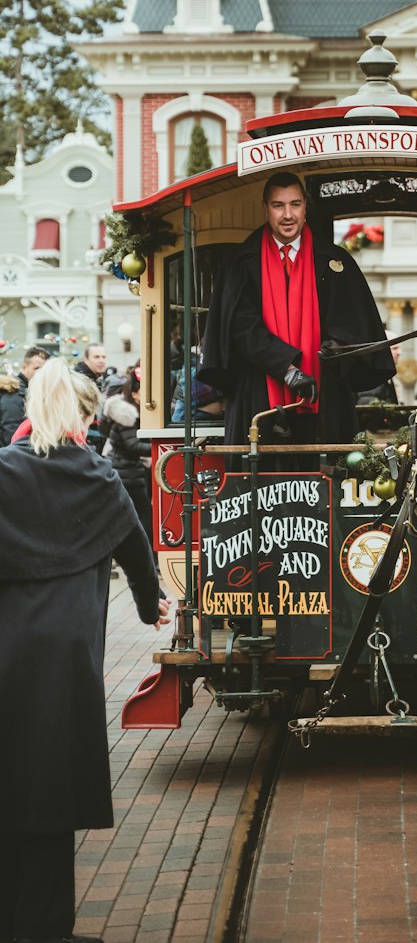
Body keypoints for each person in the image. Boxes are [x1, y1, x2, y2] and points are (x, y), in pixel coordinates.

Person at [0, 358, 170, 943]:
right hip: (66, 659)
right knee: (50, 786)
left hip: (5, 649)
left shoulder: (3, 473)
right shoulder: (98, 477)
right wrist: (152, 606)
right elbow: (135, 549)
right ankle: (44, 927)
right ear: (82, 415)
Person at [198, 171, 395, 450]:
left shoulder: (334, 262)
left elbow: (353, 321)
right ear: (265, 208)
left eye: (294, 205)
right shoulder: (241, 264)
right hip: (260, 394)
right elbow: (241, 328)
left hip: (324, 396)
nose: (287, 214)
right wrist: (288, 369)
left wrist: (336, 346)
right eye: (278, 205)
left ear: (305, 207)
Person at [103, 367, 154, 545]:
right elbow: (133, 445)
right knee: (144, 514)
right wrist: (158, 447)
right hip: (127, 473)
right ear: (134, 394)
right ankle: (149, 558)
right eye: (144, 391)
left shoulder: (131, 412)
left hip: (126, 471)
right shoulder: (127, 415)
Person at [0, 346, 49, 445]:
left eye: (44, 370)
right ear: (24, 367)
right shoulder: (14, 394)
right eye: (36, 368)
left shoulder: (33, 391)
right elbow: (11, 437)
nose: (41, 373)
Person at [74, 343, 109, 450]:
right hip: (85, 438)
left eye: (103, 357)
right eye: (96, 357)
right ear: (86, 359)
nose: (101, 360)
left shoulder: (99, 378)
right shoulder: (79, 381)